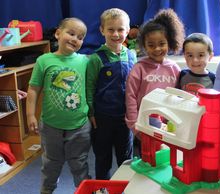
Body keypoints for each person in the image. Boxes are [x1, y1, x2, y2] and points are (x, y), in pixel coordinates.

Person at [26, 18, 90, 194]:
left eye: (80, 37)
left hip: (79, 126)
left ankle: (83, 189)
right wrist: (30, 115)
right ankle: (47, 189)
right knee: (51, 163)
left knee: (79, 162)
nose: (75, 39)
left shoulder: (85, 61)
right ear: (57, 33)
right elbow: (33, 90)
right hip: (50, 127)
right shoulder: (44, 60)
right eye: (71, 33)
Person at [125, 8, 185, 157]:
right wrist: (134, 125)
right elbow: (130, 97)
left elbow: (179, 99)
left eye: (161, 43)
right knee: (145, 162)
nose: (157, 49)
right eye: (151, 45)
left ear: (169, 43)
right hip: (143, 127)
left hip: (168, 128)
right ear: (144, 46)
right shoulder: (139, 68)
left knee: (166, 162)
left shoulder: (175, 69)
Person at [85, 8, 137, 180]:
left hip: (125, 117)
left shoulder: (132, 55)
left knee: (126, 158)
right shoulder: (96, 58)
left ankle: (126, 189)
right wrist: (91, 112)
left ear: (128, 31)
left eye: (121, 29)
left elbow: (136, 87)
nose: (116, 34)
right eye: (110, 29)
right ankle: (101, 188)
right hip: (102, 118)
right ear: (102, 30)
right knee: (103, 158)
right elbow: (90, 87)